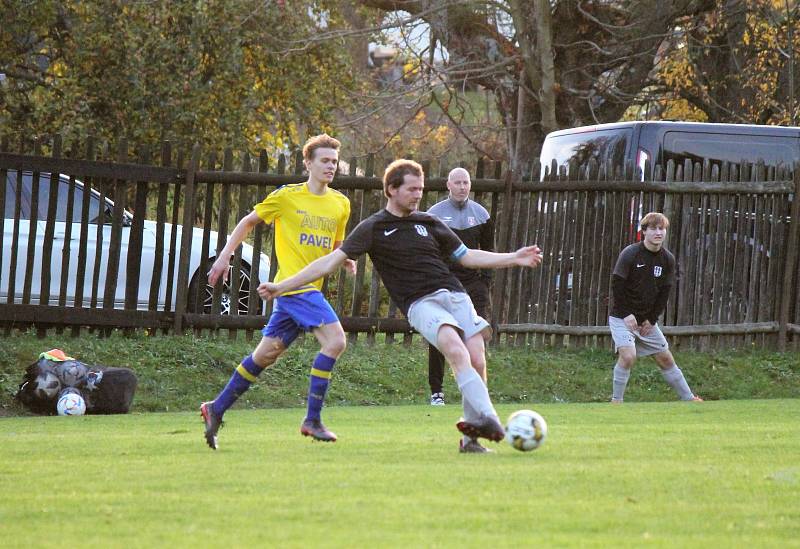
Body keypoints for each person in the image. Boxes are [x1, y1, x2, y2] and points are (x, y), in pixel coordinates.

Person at [259, 159, 544, 453]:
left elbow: (467, 256)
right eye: (412, 189)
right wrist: (283, 286)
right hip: (421, 303)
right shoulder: (373, 227)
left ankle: (470, 440)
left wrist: (514, 257)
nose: (418, 194)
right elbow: (327, 263)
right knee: (455, 349)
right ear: (392, 189)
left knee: (477, 358)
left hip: (456, 295)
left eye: (420, 189)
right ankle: (491, 419)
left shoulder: (430, 222)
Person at [200, 133, 355, 450]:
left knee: (265, 355)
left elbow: (335, 245)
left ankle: (215, 408)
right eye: (324, 161)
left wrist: (345, 258)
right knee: (336, 340)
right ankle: (312, 419)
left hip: (303, 291)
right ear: (308, 163)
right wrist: (225, 256)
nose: (330, 166)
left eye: (334, 162)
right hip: (294, 288)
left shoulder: (341, 204)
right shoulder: (286, 197)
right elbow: (247, 222)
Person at [608, 211, 702, 403]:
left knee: (666, 359)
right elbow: (617, 285)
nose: (658, 233)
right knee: (628, 356)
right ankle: (616, 401)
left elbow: (664, 293)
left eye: (662, 229)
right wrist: (626, 314)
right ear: (644, 231)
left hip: (646, 321)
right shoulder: (631, 253)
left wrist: (652, 319)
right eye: (654, 229)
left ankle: (689, 399)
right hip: (622, 318)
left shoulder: (667, 259)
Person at [425, 167, 494, 406]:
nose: (462, 187)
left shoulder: (481, 214)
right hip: (443, 282)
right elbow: (429, 251)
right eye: (458, 182)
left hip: (473, 285)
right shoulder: (434, 214)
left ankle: (475, 392)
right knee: (441, 335)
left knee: (475, 339)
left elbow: (487, 251)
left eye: (466, 182)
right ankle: (437, 392)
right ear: (448, 185)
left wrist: (484, 282)